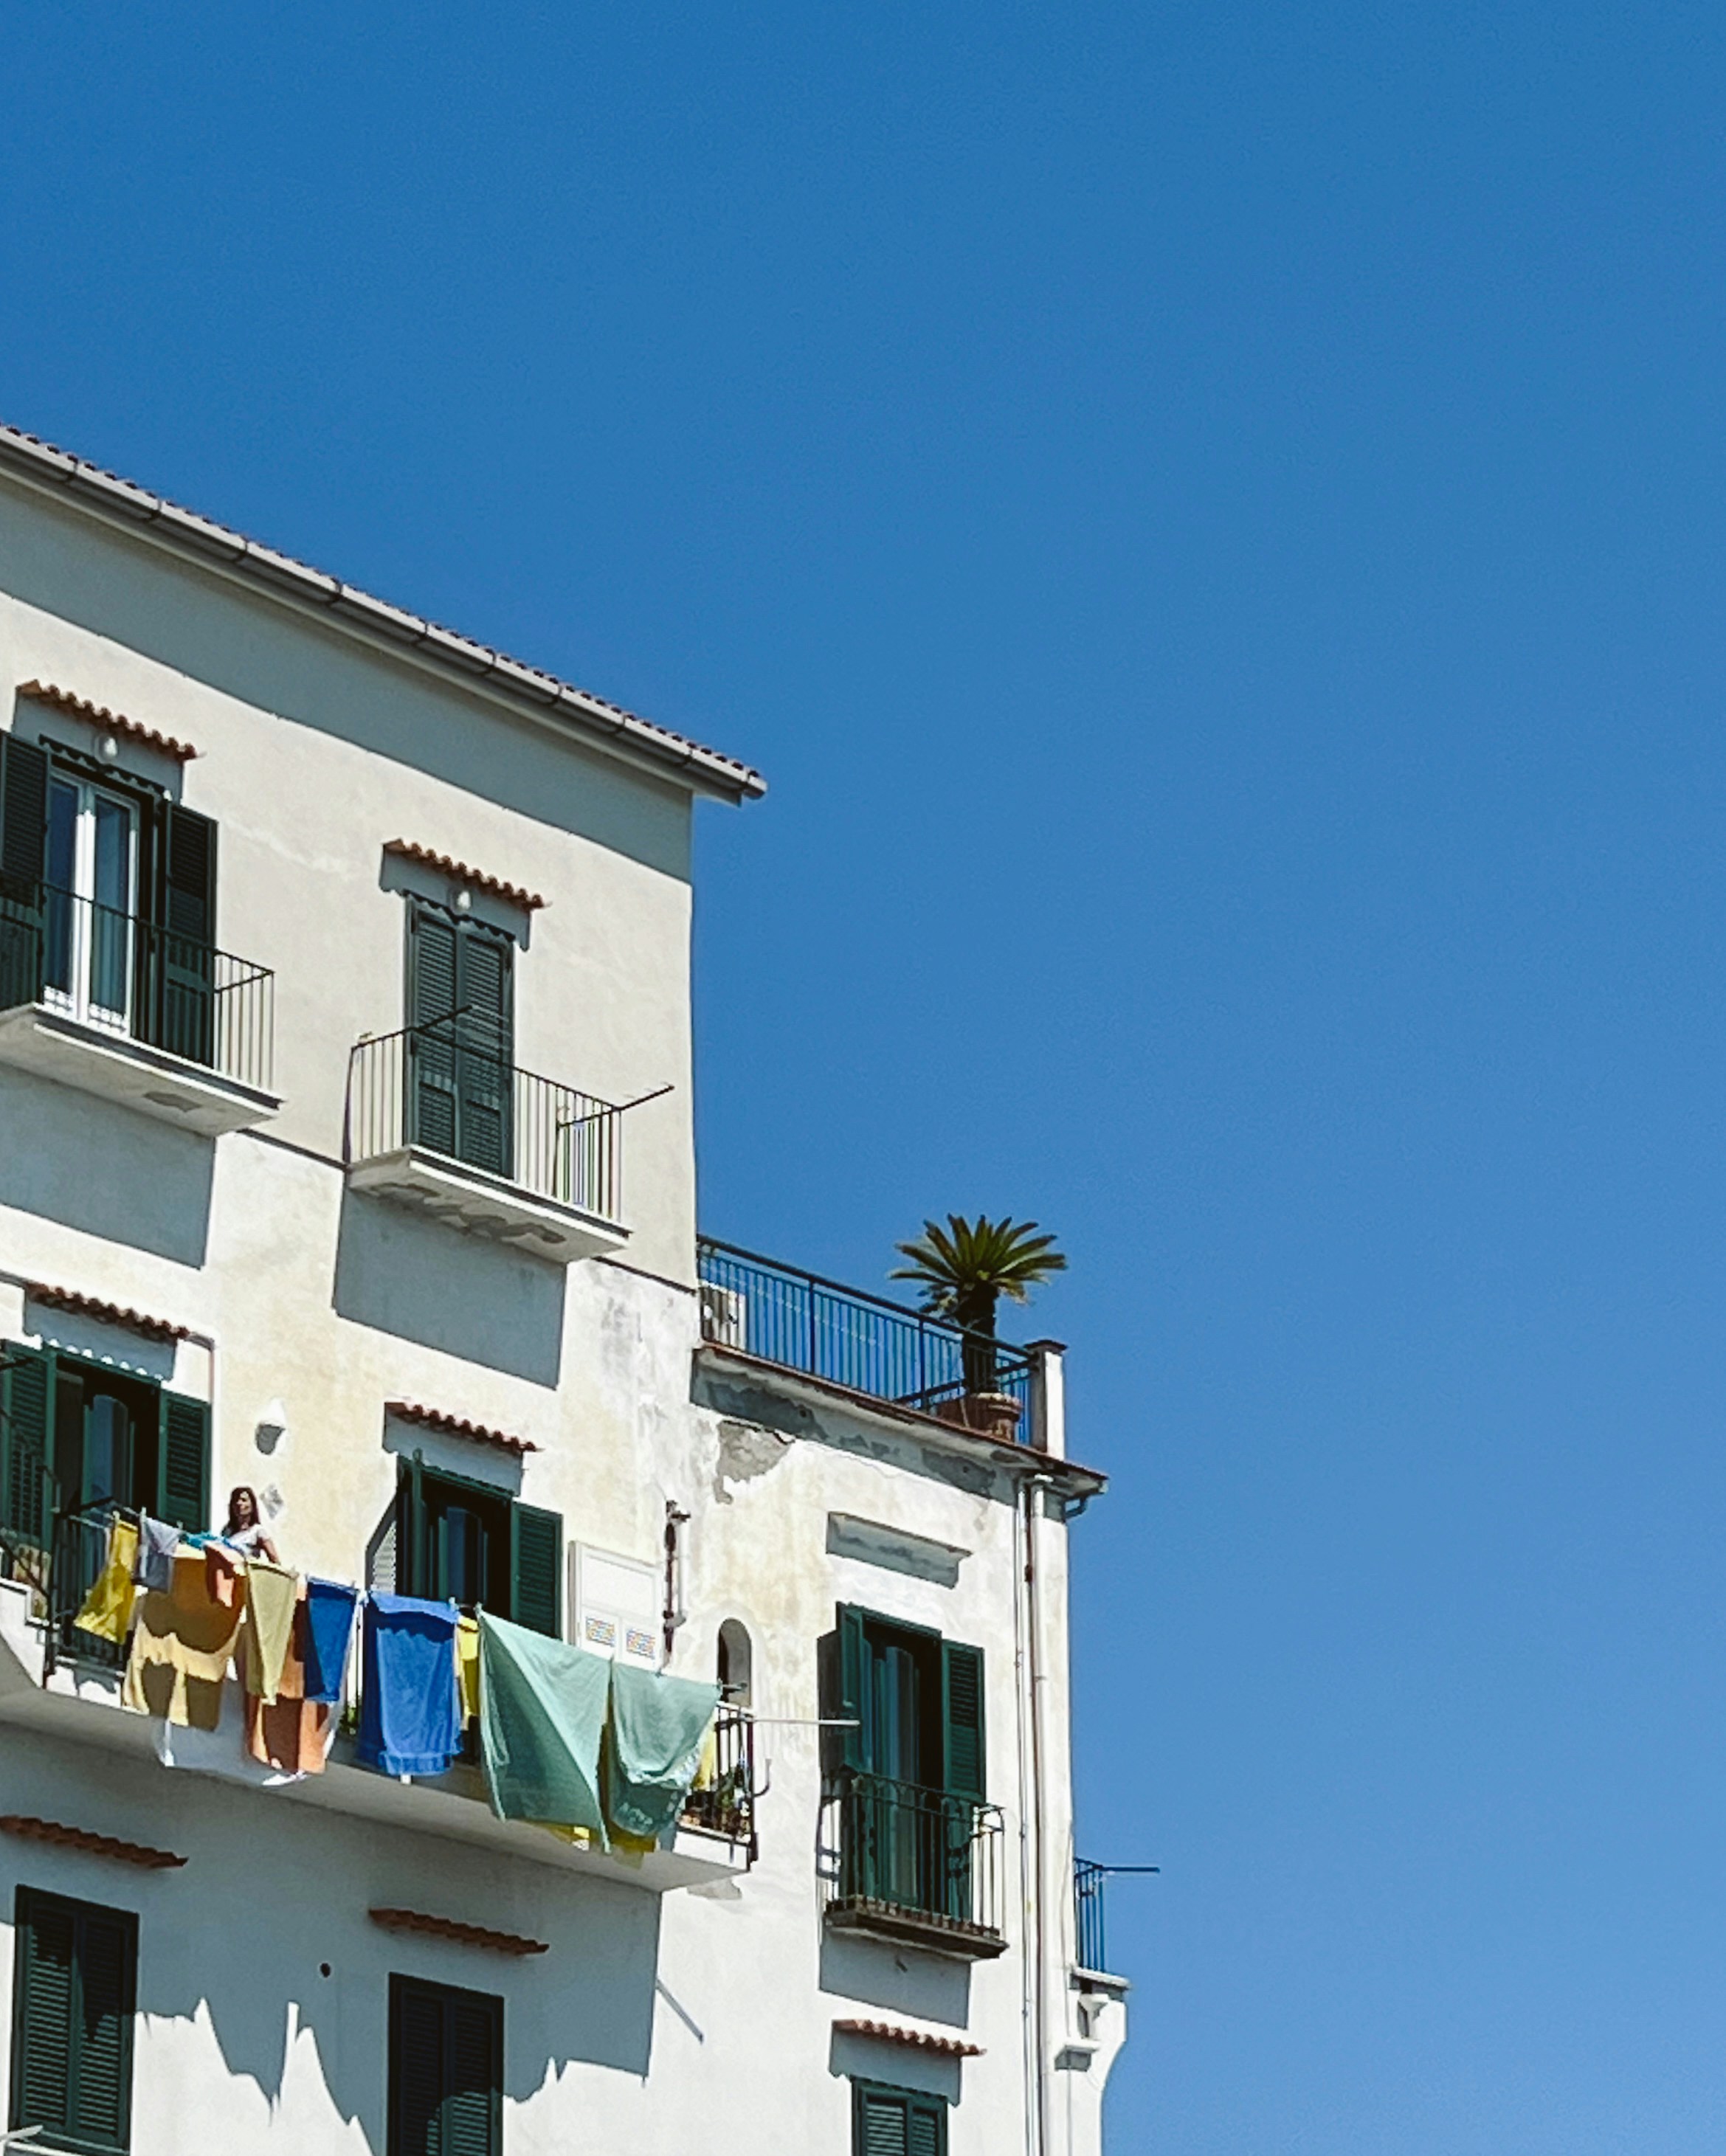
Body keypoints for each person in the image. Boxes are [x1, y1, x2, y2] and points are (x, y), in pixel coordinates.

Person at [222, 1485, 279, 1564]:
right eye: (236, 1500)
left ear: (252, 1505)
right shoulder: (227, 1531)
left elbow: (275, 1560)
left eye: (244, 1500)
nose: (239, 1503)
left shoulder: (258, 1531)